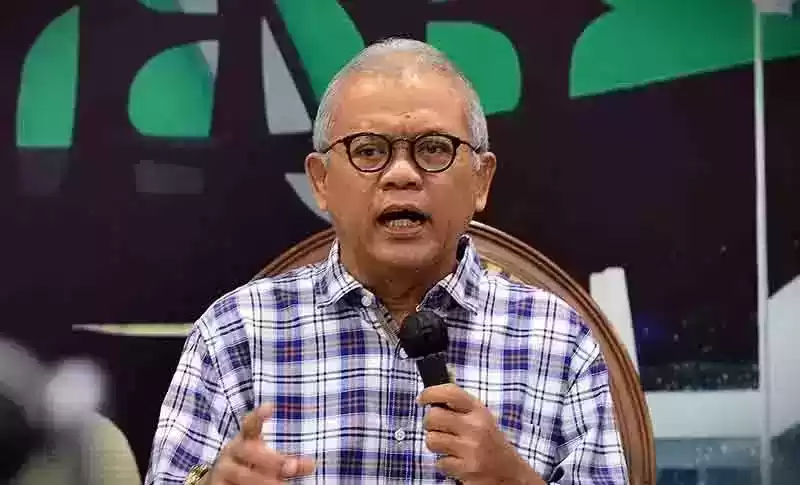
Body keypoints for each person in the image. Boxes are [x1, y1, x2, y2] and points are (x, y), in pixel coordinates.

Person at [144, 38, 628, 485]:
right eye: (369, 150)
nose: (401, 174)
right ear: (321, 181)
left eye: (434, 149)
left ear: (481, 180)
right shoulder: (237, 333)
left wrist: (513, 480)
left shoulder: (557, 339)